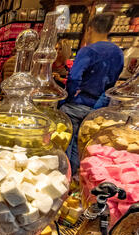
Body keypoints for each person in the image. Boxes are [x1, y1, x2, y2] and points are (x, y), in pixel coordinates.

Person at [60, 13, 124, 176]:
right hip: (100, 107)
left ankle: (67, 176)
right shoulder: (118, 52)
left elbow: (74, 78)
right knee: (87, 144)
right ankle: (82, 176)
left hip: (78, 104)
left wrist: (67, 98)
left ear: (89, 29)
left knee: (68, 142)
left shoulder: (88, 50)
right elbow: (112, 82)